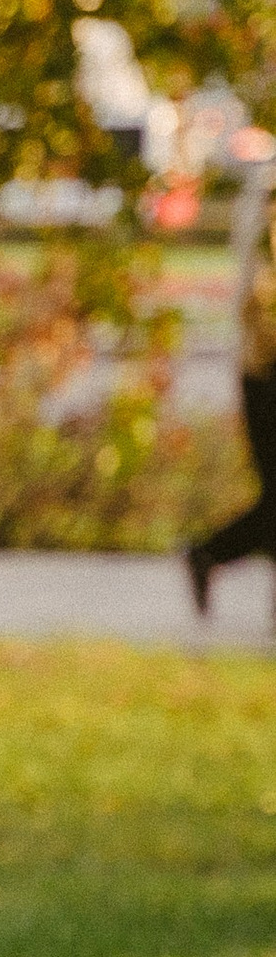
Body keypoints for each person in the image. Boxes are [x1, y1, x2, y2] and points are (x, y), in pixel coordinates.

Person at [187, 147, 276, 617]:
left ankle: (209, 555)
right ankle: (208, 553)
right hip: (266, 371)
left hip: (258, 368)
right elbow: (258, 303)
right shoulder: (266, 201)